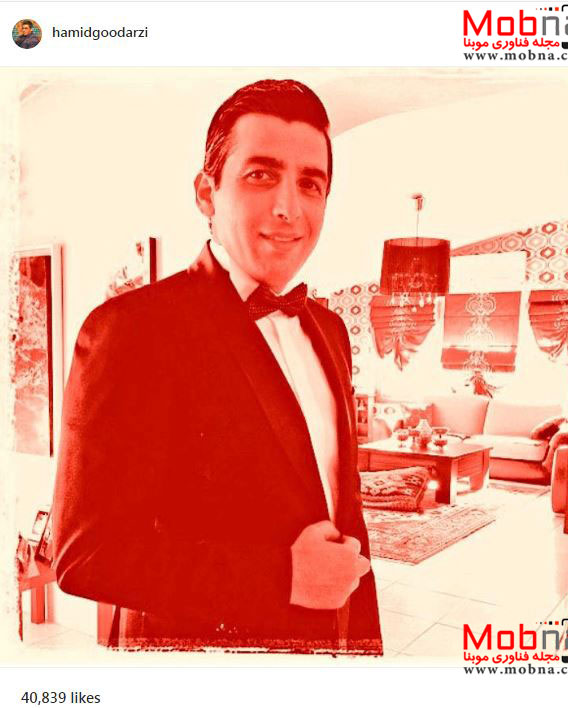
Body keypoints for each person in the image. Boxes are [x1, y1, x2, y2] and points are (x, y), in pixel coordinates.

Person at [52, 79, 383, 654]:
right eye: (261, 175)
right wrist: (282, 578)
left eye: (310, 184)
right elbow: (84, 556)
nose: (289, 207)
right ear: (207, 194)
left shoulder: (330, 330)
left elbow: (342, 507)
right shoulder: (129, 331)